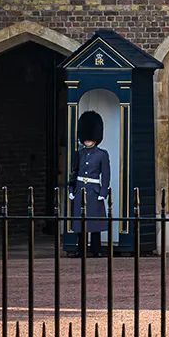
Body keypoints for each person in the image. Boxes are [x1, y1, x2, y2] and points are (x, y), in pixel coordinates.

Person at [68, 110, 111, 258]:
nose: (87, 141)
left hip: (94, 190)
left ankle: (96, 249)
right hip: (80, 188)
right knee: (80, 221)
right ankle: (81, 249)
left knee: (95, 221)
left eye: (89, 138)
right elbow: (74, 172)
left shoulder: (102, 154)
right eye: (85, 138)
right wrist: (71, 189)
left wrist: (103, 192)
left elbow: (106, 174)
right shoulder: (79, 153)